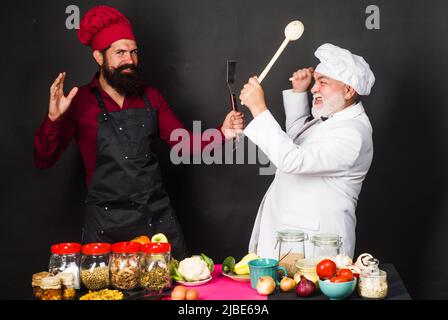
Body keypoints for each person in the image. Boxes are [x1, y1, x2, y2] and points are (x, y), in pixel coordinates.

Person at [34, 5, 244, 259]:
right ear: (99, 57)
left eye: (134, 52)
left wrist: (222, 132)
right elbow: (44, 160)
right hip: (105, 229)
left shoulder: (150, 97)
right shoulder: (79, 102)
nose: (130, 61)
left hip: (156, 221)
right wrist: (53, 119)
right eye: (120, 52)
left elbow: (184, 144)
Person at [239, 43, 375, 258]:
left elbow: (293, 159)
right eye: (315, 81)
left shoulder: (352, 134)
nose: (314, 88)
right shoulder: (335, 119)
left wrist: (258, 108)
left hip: (316, 246)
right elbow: (298, 140)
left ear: (348, 90)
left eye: (323, 82)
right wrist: (298, 92)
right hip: (295, 237)